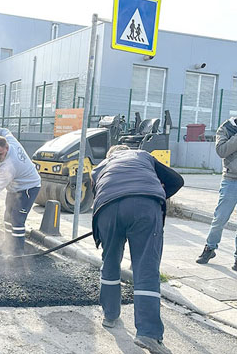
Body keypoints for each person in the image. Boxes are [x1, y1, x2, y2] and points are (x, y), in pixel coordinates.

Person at [90, 145, 184, 354]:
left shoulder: (101, 167)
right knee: (146, 267)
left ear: (110, 156)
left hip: (107, 208)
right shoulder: (143, 155)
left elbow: (97, 193)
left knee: (111, 261)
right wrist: (156, 192)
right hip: (144, 205)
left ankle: (110, 316)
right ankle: (148, 333)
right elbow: (177, 180)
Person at [0, 127, 41, 256]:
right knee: (7, 216)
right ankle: (8, 244)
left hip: (29, 188)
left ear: (7, 148)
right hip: (15, 188)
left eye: (1, 154)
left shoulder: (9, 165)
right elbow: (4, 130)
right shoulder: (10, 140)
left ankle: (18, 251)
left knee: (17, 219)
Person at [196, 117, 237, 271]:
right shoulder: (226, 128)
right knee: (220, 218)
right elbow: (222, 151)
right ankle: (210, 248)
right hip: (231, 179)